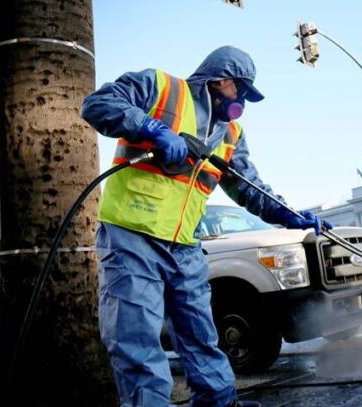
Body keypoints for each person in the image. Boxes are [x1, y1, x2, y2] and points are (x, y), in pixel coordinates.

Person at [81, 46, 325, 407]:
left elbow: (248, 186)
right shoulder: (161, 87)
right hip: (132, 236)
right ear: (220, 79)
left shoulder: (230, 135)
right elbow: (98, 104)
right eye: (239, 91)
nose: (241, 100)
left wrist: (288, 215)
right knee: (136, 340)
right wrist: (153, 129)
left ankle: (218, 402)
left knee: (199, 334)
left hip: (184, 245)